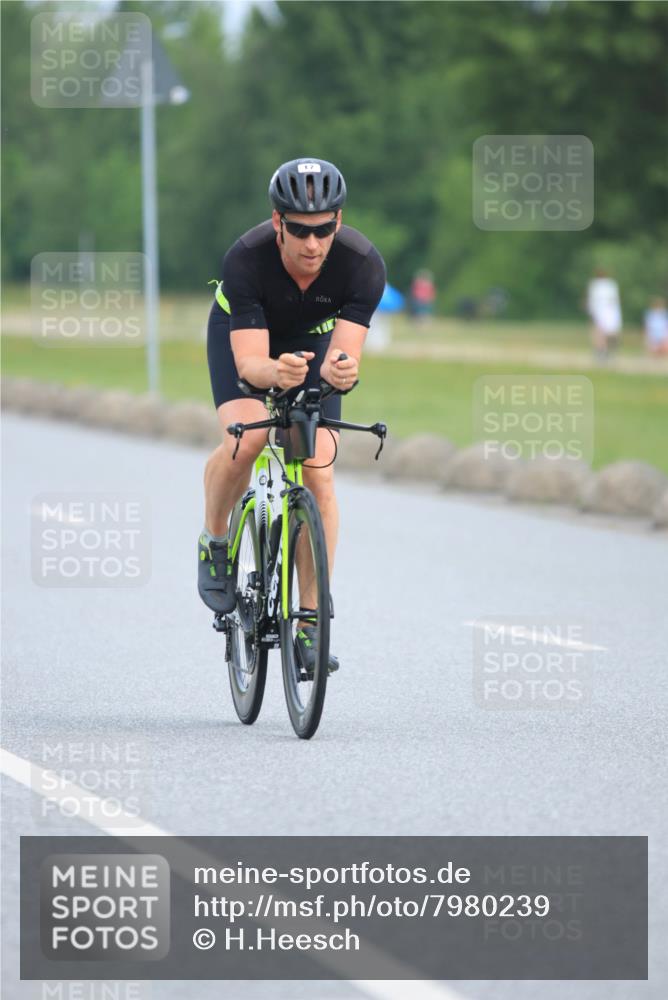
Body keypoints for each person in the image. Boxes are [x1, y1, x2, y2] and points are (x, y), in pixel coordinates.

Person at [199, 157, 386, 674]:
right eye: (300, 230)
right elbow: (249, 364)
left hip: (310, 344)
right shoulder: (247, 259)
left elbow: (342, 357)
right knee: (247, 441)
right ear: (278, 222)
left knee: (318, 470)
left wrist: (342, 374)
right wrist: (271, 374)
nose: (312, 243)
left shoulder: (362, 265)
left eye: (324, 229)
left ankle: (309, 621)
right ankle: (215, 541)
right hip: (244, 336)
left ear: (339, 222)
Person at [586, 267, 622, 362]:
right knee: (600, 334)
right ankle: (601, 352)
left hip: (607, 312)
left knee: (606, 334)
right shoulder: (598, 285)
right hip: (602, 312)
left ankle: (605, 352)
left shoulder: (609, 285)